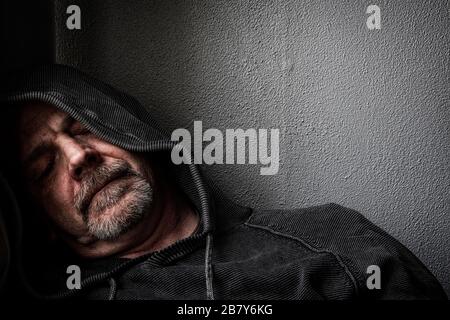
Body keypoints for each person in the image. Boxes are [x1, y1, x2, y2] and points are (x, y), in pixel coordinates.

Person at [0, 64, 446, 300]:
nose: (79, 156)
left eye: (84, 129)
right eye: (44, 169)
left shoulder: (337, 243)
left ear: (131, 130)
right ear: (40, 220)